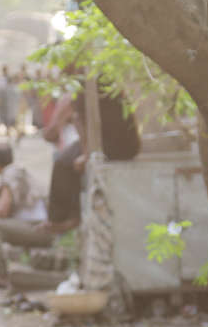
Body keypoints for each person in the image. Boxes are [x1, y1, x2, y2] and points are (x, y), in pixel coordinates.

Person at [41, 87, 140, 233]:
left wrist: (86, 155)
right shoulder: (99, 87)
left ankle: (62, 220)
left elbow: (60, 129)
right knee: (64, 161)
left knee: (63, 163)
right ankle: (64, 218)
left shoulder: (80, 91)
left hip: (112, 143)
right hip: (120, 142)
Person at [0, 141, 52, 288]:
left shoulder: (10, 174)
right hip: (39, 226)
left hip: (39, 228)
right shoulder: (16, 170)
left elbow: (3, 210)